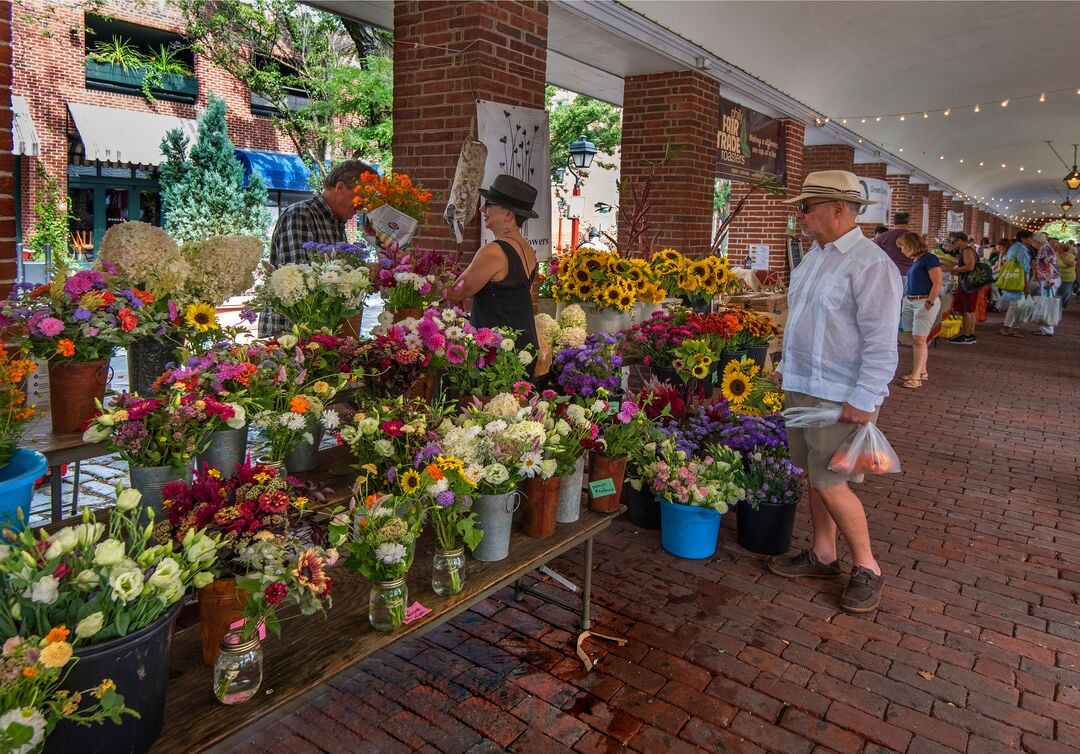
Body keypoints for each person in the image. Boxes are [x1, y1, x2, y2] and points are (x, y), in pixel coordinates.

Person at [768, 170, 901, 614]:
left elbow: (882, 342)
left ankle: (868, 566)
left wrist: (866, 397)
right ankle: (824, 554)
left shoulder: (870, 264)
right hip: (804, 385)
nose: (802, 215)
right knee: (817, 477)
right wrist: (786, 367)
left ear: (839, 209)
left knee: (831, 482)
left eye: (808, 207)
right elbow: (802, 322)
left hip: (839, 394)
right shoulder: (814, 256)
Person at [259, 159, 377, 337]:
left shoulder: (337, 222)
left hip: (318, 331)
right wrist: (361, 274)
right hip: (290, 332)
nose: (363, 207)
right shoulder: (300, 215)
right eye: (361, 197)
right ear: (340, 187)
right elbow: (302, 279)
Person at [446, 174, 540, 375]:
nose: (482, 209)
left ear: (508, 214)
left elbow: (455, 292)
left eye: (488, 204)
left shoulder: (493, 252)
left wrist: (429, 275)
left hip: (497, 352)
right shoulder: (528, 249)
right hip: (522, 346)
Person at [896, 232, 942, 387]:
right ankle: (921, 371)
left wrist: (929, 302)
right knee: (914, 338)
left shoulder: (929, 258)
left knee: (919, 339)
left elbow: (937, 282)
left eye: (903, 246)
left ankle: (916, 377)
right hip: (910, 300)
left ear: (911, 244)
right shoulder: (916, 260)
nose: (901, 250)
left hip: (923, 301)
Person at [999, 230, 1038, 337]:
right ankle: (1007, 328)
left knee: (1014, 303)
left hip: (1012, 277)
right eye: (1030, 238)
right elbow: (1023, 268)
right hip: (1019, 278)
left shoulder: (1014, 247)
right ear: (1023, 238)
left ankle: (1008, 326)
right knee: (1015, 304)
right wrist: (1026, 284)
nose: (1032, 240)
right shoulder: (1022, 249)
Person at [945, 232, 979, 344]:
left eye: (953, 242)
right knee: (970, 310)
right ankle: (970, 333)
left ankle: (966, 335)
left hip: (967, 285)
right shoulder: (969, 250)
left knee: (966, 310)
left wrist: (956, 270)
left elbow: (970, 266)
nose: (953, 245)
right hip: (971, 284)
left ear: (959, 240)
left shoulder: (967, 251)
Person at [1033, 235, 1062, 336]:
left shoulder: (1046, 249)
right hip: (1047, 278)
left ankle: (1048, 328)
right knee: (1046, 302)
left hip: (1048, 280)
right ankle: (1045, 327)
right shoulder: (1045, 248)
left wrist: (1050, 280)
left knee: (1047, 303)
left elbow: (1050, 265)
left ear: (1036, 241)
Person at [874, 212, 913, 286]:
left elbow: (875, 255)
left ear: (894, 221)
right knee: (907, 297)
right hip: (910, 274)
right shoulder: (915, 237)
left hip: (889, 274)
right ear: (908, 222)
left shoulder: (883, 236)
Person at [1058, 241, 1077, 309]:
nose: (1058, 249)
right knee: (1058, 293)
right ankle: (1057, 306)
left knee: (1065, 294)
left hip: (1068, 277)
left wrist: (1062, 258)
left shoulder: (1071, 256)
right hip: (1057, 277)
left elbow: (1069, 264)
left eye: (1060, 248)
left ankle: (1062, 307)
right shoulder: (1055, 254)